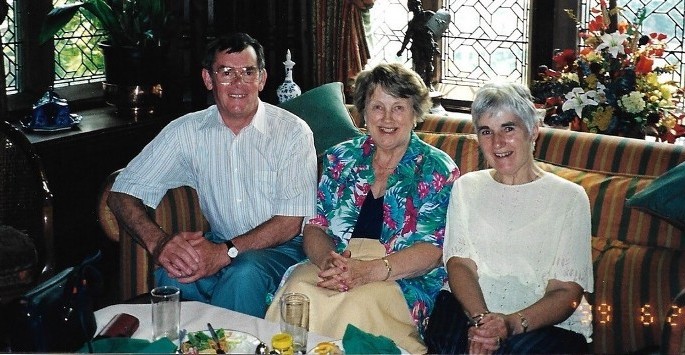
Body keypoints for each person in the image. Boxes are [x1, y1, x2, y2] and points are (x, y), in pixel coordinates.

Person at [107, 32, 318, 318]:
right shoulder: (187, 132)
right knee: (174, 276)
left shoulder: (292, 132)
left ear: (263, 79)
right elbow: (121, 193)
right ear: (208, 79)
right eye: (226, 72)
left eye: (248, 72)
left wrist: (223, 253)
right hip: (221, 240)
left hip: (285, 250)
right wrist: (159, 243)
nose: (238, 83)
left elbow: (289, 223)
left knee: (243, 275)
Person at [265, 63, 460, 353]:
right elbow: (316, 225)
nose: (387, 118)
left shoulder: (437, 168)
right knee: (298, 294)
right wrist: (329, 262)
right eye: (377, 107)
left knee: (356, 307)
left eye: (399, 108)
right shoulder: (341, 157)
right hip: (339, 262)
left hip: (400, 275)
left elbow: (434, 250)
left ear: (415, 114)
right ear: (363, 112)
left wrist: (368, 271)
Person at [424, 82, 593, 354]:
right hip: (467, 311)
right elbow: (459, 265)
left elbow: (566, 292)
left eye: (509, 128)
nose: (498, 142)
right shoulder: (466, 187)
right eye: (486, 131)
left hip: (540, 325)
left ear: (533, 131)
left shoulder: (570, 198)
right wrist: (483, 323)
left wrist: (508, 325)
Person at [397, 0, 440, 90]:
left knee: (429, 66)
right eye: (414, 7)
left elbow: (438, 26)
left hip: (428, 45)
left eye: (417, 6)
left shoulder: (428, 15)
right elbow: (407, 37)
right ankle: (419, 86)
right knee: (418, 68)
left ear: (420, 5)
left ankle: (428, 84)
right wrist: (402, 50)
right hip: (417, 46)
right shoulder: (412, 23)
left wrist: (434, 43)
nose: (416, 8)